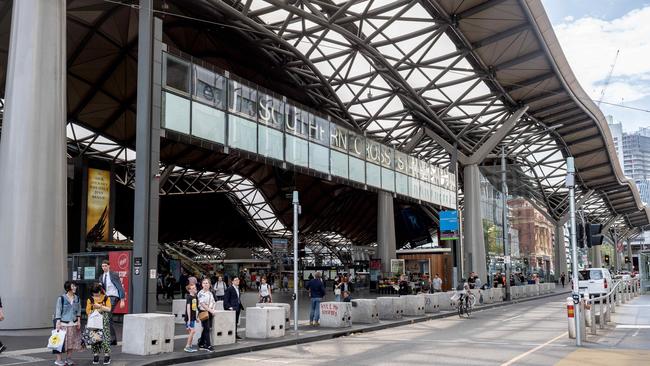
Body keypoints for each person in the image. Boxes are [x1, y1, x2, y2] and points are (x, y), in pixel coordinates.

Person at [53, 281, 83, 366]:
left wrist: (79, 321)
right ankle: (58, 360)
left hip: (73, 324)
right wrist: (58, 323)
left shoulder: (77, 298)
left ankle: (68, 359)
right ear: (68, 288)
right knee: (60, 343)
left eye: (75, 286)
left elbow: (79, 311)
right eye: (73, 286)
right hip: (63, 324)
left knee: (71, 343)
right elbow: (58, 311)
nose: (75, 288)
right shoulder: (61, 298)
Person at [100, 260, 125, 346]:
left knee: (106, 316)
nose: (104, 267)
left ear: (109, 266)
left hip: (114, 297)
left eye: (105, 266)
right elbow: (102, 289)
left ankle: (110, 339)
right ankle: (113, 339)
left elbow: (120, 287)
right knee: (108, 318)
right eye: (103, 266)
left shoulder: (113, 274)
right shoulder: (101, 276)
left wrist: (122, 299)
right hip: (106, 298)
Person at [86, 283, 112, 365]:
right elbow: (88, 312)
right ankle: (96, 355)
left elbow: (109, 309)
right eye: (94, 293)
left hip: (104, 321)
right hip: (94, 321)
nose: (96, 294)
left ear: (100, 291)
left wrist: (99, 306)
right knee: (95, 338)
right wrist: (97, 310)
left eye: (97, 292)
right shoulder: (90, 299)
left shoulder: (106, 298)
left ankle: (107, 355)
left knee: (105, 338)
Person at [197, 278, 217, 351]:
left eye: (207, 283)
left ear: (209, 285)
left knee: (206, 328)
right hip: (203, 312)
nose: (205, 284)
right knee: (207, 328)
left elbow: (214, 302)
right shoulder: (201, 293)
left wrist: (213, 309)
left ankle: (201, 343)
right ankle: (208, 345)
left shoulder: (210, 293)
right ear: (202, 284)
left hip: (210, 312)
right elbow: (202, 304)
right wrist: (211, 310)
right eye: (204, 283)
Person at [184, 283, 198, 353]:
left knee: (191, 333)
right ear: (189, 290)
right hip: (189, 318)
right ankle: (187, 346)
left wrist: (196, 318)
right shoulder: (189, 297)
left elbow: (195, 309)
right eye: (192, 288)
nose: (194, 289)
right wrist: (189, 319)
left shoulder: (195, 297)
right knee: (193, 331)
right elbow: (188, 308)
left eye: (194, 287)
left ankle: (190, 346)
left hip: (193, 318)